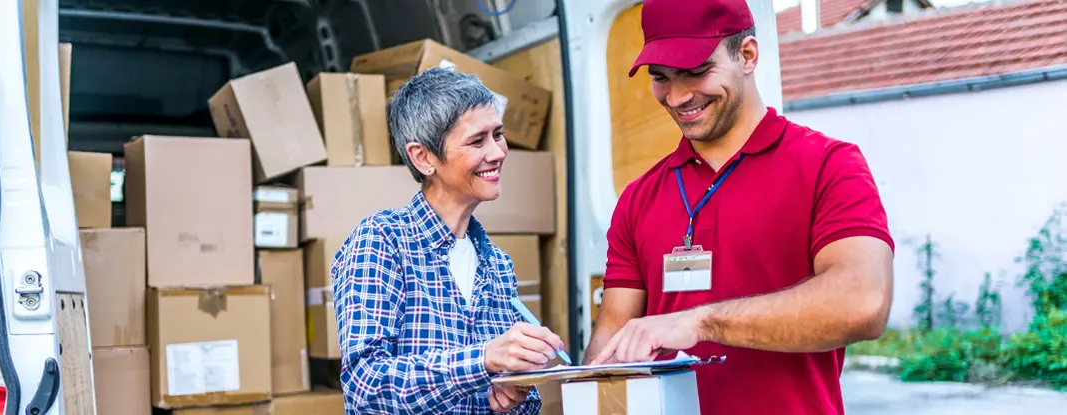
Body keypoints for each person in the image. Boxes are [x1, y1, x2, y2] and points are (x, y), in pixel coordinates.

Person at [583, 0, 895, 414]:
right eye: (661, 78)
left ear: (747, 55)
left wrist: (700, 321)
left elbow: (863, 303)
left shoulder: (828, 165)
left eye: (696, 72)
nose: (677, 97)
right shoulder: (638, 197)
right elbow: (612, 340)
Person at [333, 67, 566, 414]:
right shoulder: (382, 240)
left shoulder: (498, 264)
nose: (498, 152)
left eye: (498, 135)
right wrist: (482, 360)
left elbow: (522, 401)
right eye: (477, 141)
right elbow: (366, 388)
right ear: (423, 158)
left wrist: (514, 395)